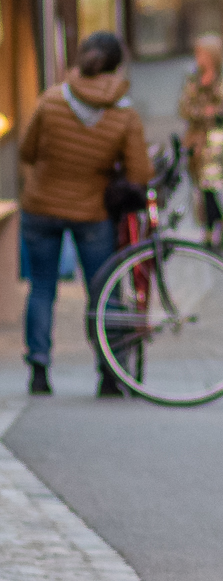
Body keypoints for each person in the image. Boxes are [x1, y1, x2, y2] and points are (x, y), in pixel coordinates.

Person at [17, 31, 153, 397]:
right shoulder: (123, 115)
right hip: (92, 212)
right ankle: (108, 373)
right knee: (103, 290)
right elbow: (140, 174)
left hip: (41, 206)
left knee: (41, 288)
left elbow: (27, 151)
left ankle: (39, 370)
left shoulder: (50, 101)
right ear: (116, 65)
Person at [178, 34, 223, 251]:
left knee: (208, 185)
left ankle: (215, 228)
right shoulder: (193, 79)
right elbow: (184, 107)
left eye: (202, 54)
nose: (198, 58)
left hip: (216, 141)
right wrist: (204, 112)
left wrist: (204, 112)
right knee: (201, 188)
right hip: (195, 141)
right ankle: (217, 225)